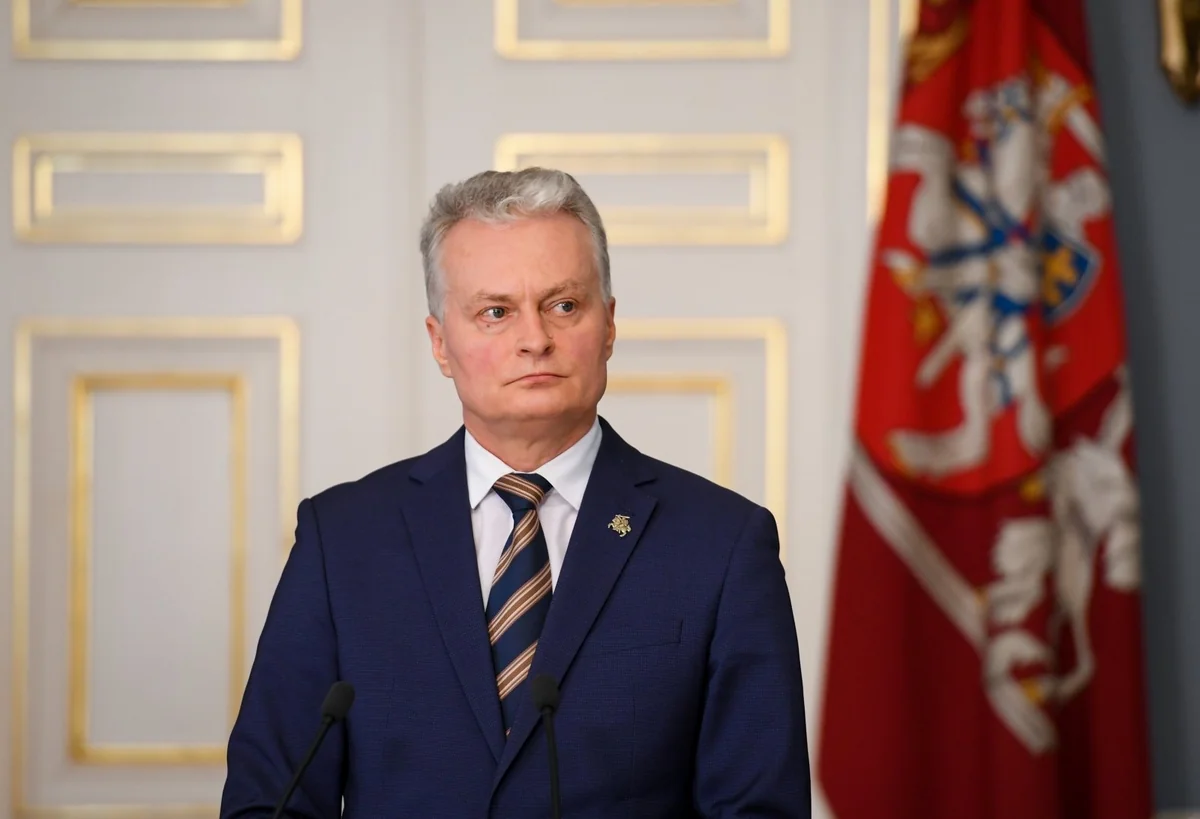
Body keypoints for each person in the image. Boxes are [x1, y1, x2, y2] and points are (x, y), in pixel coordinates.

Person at [219, 168, 811, 817]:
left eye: (564, 305)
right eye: (496, 313)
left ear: (609, 325)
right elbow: (267, 801)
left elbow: (759, 807)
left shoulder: (722, 545)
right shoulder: (343, 540)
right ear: (441, 343)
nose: (535, 340)